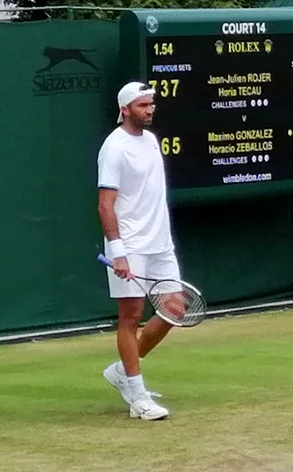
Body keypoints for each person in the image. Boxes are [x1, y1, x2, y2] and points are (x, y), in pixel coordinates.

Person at [97, 81, 181, 421]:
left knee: (175, 308)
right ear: (126, 109)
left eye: (152, 105)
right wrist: (118, 252)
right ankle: (137, 395)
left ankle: (122, 372)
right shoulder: (113, 148)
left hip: (161, 243)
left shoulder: (151, 142)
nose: (150, 110)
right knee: (131, 317)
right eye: (143, 105)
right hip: (129, 245)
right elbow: (105, 205)